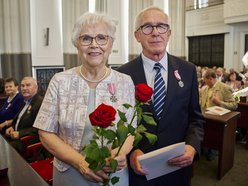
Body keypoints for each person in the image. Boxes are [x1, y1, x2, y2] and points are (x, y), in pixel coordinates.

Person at [33, 12, 136, 186]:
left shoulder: (125, 82)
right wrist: (80, 163)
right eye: (86, 38)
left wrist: (121, 152)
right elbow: (45, 131)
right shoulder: (60, 81)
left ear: (110, 44)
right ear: (77, 44)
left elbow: (131, 128)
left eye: (102, 38)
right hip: (70, 173)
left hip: (112, 174)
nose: (94, 45)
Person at [117, 6, 205, 186]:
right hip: (139, 172)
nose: (155, 32)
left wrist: (192, 147)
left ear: (169, 33)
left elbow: (196, 119)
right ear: (137, 35)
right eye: (147, 27)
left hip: (177, 170)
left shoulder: (187, 70)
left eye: (161, 26)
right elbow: (120, 124)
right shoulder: (123, 75)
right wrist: (131, 151)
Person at [4, 77, 43, 154]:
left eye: (28, 85)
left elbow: (39, 129)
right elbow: (19, 119)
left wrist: (20, 133)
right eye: (22, 86)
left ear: (36, 87)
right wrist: (12, 126)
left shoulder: (40, 103)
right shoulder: (25, 101)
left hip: (27, 142)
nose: (24, 88)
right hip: (16, 138)